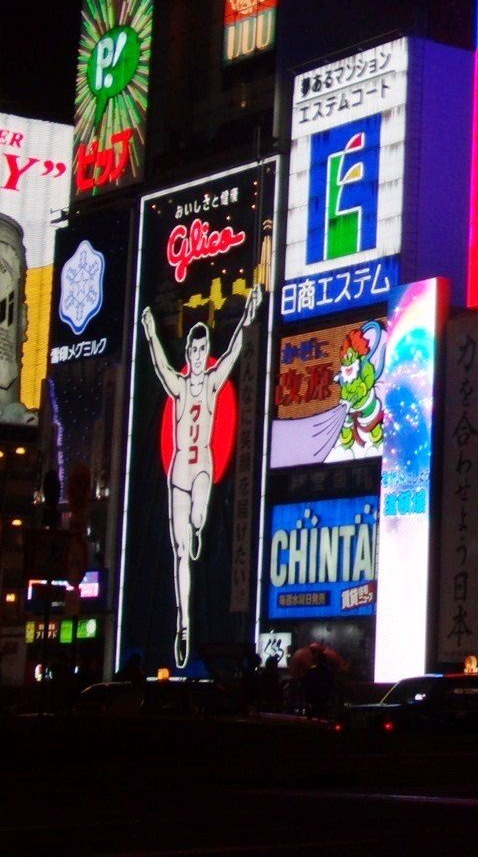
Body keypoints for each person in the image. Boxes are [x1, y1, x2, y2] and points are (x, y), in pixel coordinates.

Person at [139, 282, 263, 668]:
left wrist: (251, 312)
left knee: (198, 513)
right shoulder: (177, 386)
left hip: (203, 467)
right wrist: (150, 333)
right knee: (180, 553)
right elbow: (159, 364)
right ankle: (185, 624)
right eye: (191, 350)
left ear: (205, 352)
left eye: (200, 349)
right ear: (188, 353)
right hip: (178, 470)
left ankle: (198, 525)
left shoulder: (210, 383)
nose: (195, 354)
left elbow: (235, 350)